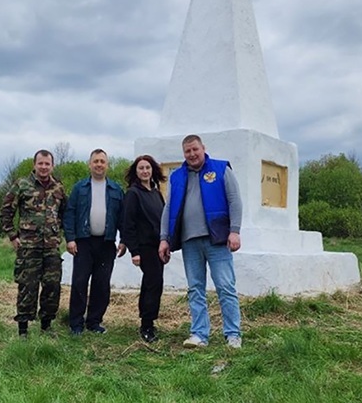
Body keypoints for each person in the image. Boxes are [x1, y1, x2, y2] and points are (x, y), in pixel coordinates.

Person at [158, 134, 243, 349]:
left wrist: (235, 231)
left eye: (195, 149)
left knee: (225, 286)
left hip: (217, 239)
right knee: (195, 288)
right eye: (187, 151)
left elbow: (235, 200)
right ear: (183, 153)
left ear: (203, 148)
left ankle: (233, 335)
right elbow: (168, 208)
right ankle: (199, 334)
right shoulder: (177, 176)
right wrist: (164, 239)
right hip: (189, 242)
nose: (192, 154)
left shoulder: (222, 169)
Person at [0, 149, 67, 338]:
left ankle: (46, 326)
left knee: (52, 287)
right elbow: (6, 210)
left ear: (52, 166)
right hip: (28, 247)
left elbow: (64, 213)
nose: (44, 167)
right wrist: (13, 235)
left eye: (47, 164)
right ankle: (23, 329)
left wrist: (59, 233)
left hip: (51, 248)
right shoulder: (22, 185)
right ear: (34, 165)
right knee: (27, 287)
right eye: (41, 163)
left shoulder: (58, 188)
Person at [63, 149, 126, 335]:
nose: (99, 164)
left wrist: (123, 240)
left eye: (102, 161)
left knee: (101, 284)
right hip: (83, 242)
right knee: (80, 282)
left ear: (107, 165)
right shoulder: (79, 188)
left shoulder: (115, 189)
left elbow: (123, 217)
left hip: (106, 243)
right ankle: (76, 324)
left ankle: (94, 322)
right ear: (89, 165)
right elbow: (70, 213)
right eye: (96, 161)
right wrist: (70, 238)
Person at [122, 155, 166, 343]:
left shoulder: (156, 193)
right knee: (152, 283)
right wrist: (134, 251)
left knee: (156, 284)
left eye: (147, 167)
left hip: (158, 247)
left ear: (152, 170)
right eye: (141, 168)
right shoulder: (133, 193)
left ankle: (150, 322)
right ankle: (146, 325)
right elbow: (128, 223)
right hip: (144, 247)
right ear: (136, 171)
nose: (145, 171)